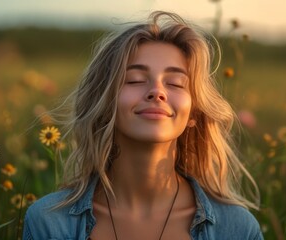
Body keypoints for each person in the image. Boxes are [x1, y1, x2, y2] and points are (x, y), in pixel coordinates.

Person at [23, 11, 263, 240]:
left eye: (176, 83)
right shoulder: (49, 222)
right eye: (134, 80)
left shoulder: (237, 228)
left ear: (194, 113)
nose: (157, 92)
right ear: (105, 102)